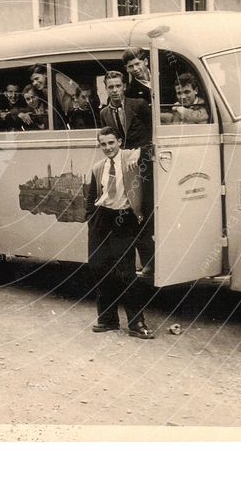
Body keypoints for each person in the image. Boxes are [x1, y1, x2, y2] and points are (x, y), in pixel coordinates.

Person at [85, 127, 154, 339]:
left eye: (111, 143)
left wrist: (138, 151)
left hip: (123, 219)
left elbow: (154, 148)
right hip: (101, 220)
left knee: (125, 272)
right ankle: (107, 320)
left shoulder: (130, 158)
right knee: (99, 267)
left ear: (120, 142)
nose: (107, 148)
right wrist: (92, 219)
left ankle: (137, 323)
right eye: (103, 144)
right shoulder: (98, 167)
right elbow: (92, 197)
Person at [99, 70, 154, 278]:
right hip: (123, 169)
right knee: (128, 213)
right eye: (110, 86)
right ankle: (133, 264)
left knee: (144, 213)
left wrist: (141, 151)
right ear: (106, 88)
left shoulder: (138, 105)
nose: (114, 90)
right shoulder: (104, 113)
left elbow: (154, 134)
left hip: (143, 166)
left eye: (118, 86)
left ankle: (151, 262)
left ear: (124, 86)